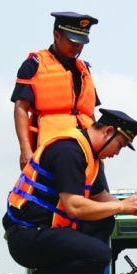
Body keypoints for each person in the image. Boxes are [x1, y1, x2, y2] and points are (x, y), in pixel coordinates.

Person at [3, 109, 137, 274]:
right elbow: (74, 206)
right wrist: (121, 206)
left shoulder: (90, 155)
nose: (117, 153)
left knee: (104, 221)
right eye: (119, 145)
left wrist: (129, 206)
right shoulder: (69, 150)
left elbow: (99, 195)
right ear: (107, 131)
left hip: (49, 232)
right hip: (27, 235)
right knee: (100, 254)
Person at [11, 11, 101, 170]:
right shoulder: (34, 65)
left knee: (92, 193)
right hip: (48, 147)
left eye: (81, 42)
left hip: (84, 149)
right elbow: (21, 107)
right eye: (73, 41)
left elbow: (89, 112)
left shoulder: (84, 70)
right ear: (57, 35)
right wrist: (25, 149)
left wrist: (98, 153)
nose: (78, 47)